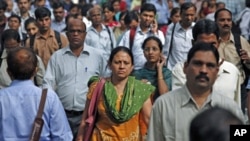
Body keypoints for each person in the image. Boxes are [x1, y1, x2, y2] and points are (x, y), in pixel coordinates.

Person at [147, 42, 244, 141]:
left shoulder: (232, 108)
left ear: (217, 72)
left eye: (210, 65)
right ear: (185, 67)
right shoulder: (163, 105)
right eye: (198, 64)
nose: (203, 70)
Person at [43, 18, 106, 139]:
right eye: (72, 31)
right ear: (67, 34)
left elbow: (104, 82)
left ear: (85, 34)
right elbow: (48, 83)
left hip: (88, 115)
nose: (76, 34)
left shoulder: (97, 56)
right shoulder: (57, 57)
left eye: (79, 31)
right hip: (61, 114)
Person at [76, 46, 155, 141]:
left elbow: (149, 120)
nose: (122, 66)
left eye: (126, 63)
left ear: (132, 67)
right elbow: (85, 119)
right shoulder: (97, 87)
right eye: (117, 62)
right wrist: (80, 137)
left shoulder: (140, 90)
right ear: (109, 64)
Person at [0, 47, 72, 140]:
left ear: (9, 72)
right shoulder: (49, 97)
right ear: (36, 70)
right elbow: (62, 137)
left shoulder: (1, 98)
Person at [172, 19, 241, 106]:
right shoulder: (181, 70)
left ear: (219, 43)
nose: (207, 49)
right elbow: (178, 106)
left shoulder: (232, 71)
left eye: (212, 44)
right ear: (193, 43)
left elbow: (236, 108)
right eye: (202, 44)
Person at [214, 8, 250, 112]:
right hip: (217, 88)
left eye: (228, 20)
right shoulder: (211, 41)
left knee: (238, 118)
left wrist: (248, 61)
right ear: (215, 22)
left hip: (238, 88)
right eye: (222, 20)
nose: (226, 23)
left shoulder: (240, 41)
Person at [119, 3, 165, 70]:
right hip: (134, 72)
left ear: (154, 18)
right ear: (140, 15)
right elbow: (123, 53)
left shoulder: (159, 34)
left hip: (153, 73)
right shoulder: (129, 34)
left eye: (151, 16)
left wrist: (155, 33)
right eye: (145, 15)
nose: (147, 18)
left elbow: (161, 53)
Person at [133, 36, 171, 101]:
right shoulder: (137, 74)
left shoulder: (167, 73)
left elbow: (164, 95)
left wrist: (159, 70)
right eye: (147, 49)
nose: (150, 52)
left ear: (160, 52)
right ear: (143, 53)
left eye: (154, 49)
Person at [85, 6, 116, 77]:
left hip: (108, 67)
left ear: (102, 16)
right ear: (90, 18)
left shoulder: (108, 30)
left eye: (98, 15)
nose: (96, 17)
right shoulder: (87, 33)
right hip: (93, 67)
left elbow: (114, 47)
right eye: (94, 15)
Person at [164, 2, 196, 70]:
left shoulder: (197, 28)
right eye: (186, 15)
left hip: (190, 70)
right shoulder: (172, 28)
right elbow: (166, 50)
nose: (189, 18)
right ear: (181, 15)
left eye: (191, 15)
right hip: (173, 69)